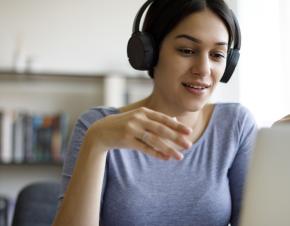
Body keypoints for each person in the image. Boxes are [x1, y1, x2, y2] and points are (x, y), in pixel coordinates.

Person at [52, 0, 257, 226]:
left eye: (217, 55)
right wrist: (97, 143)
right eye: (187, 50)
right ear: (148, 52)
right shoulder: (98, 126)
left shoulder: (235, 126)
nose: (204, 69)